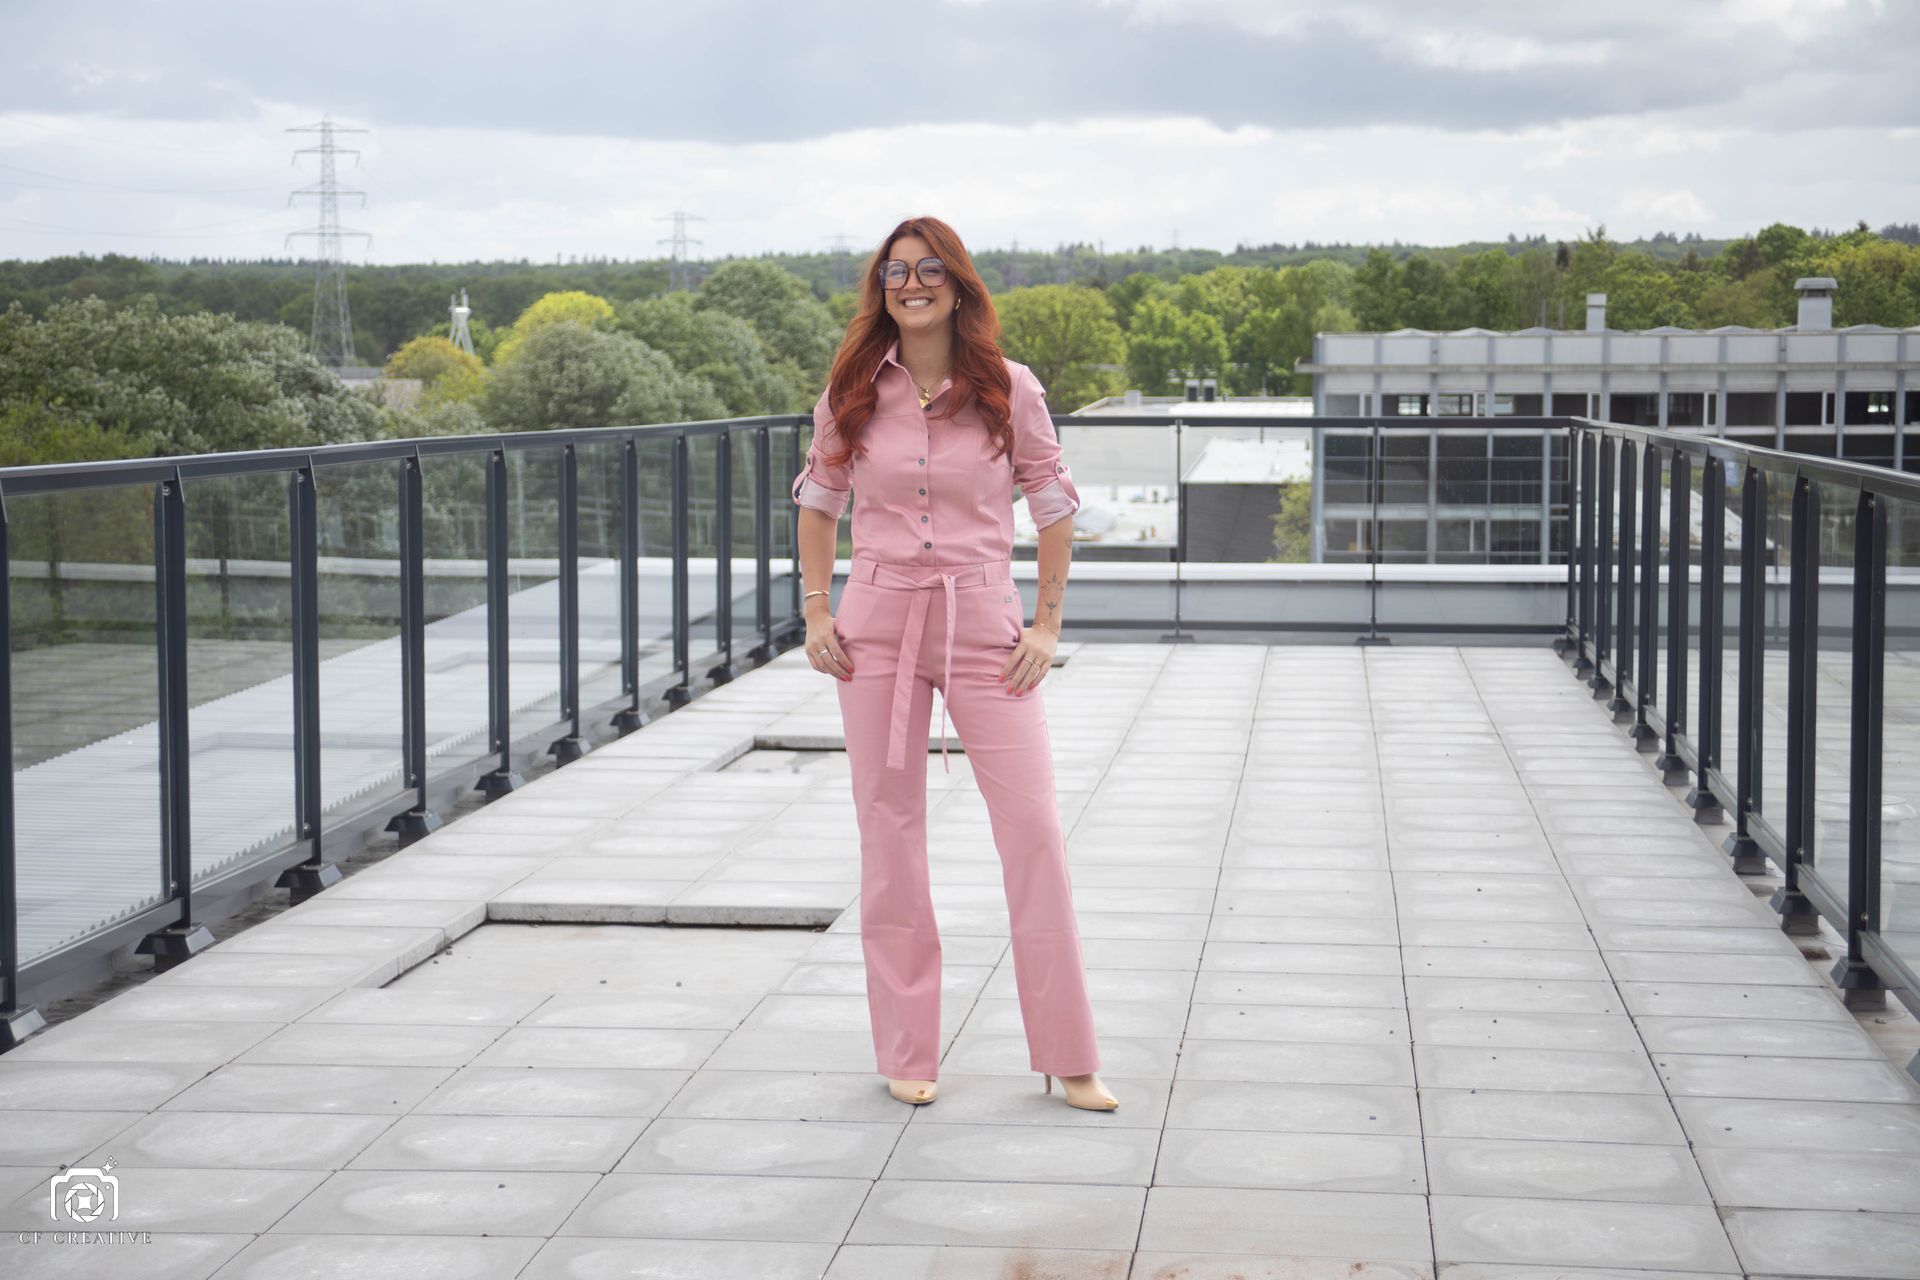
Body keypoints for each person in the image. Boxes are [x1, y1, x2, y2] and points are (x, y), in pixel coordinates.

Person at [790, 215, 1117, 1112]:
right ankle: (908, 1049)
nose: (913, 283)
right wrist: (816, 609)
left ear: (959, 284)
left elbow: (1052, 505)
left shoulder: (1009, 387)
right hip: (877, 624)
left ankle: (1070, 1054)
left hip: (983, 622)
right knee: (889, 834)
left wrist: (1045, 626)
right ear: (881, 288)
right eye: (897, 271)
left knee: (1033, 830)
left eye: (931, 269)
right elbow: (818, 502)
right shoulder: (852, 388)